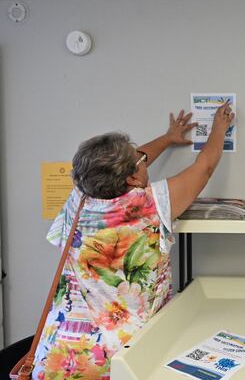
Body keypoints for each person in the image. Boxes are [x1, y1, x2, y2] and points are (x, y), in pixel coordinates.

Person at [32, 104, 234, 379]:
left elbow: (134, 161)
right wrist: (219, 128)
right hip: (118, 359)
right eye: (139, 161)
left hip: (59, 354)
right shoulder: (151, 204)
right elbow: (205, 166)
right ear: (132, 177)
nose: (143, 159)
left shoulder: (78, 197)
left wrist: (168, 137)